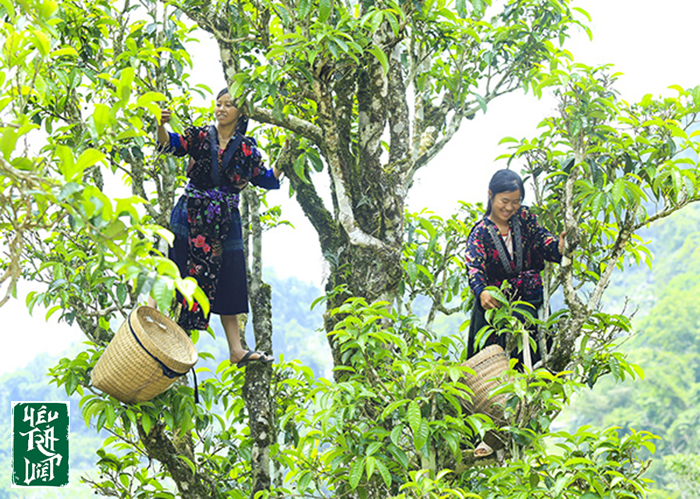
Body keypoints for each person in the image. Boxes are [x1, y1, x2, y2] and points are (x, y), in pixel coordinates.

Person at [155, 88, 282, 368]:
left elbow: (267, 179)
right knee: (173, 269)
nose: (221, 109)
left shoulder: (247, 148)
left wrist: (289, 156)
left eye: (228, 105)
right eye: (218, 104)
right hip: (191, 212)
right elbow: (169, 144)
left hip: (225, 221)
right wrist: (160, 124)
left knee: (230, 279)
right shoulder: (199, 136)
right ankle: (150, 329)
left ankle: (236, 349)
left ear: (241, 113)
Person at [465, 169, 564, 365]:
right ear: (491, 195)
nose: (510, 207)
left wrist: (558, 247)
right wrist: (482, 291)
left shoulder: (525, 218)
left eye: (516, 201)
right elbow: (474, 267)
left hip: (531, 301)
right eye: (504, 201)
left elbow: (541, 239)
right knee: (493, 370)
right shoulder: (480, 233)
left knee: (539, 363)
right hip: (497, 309)